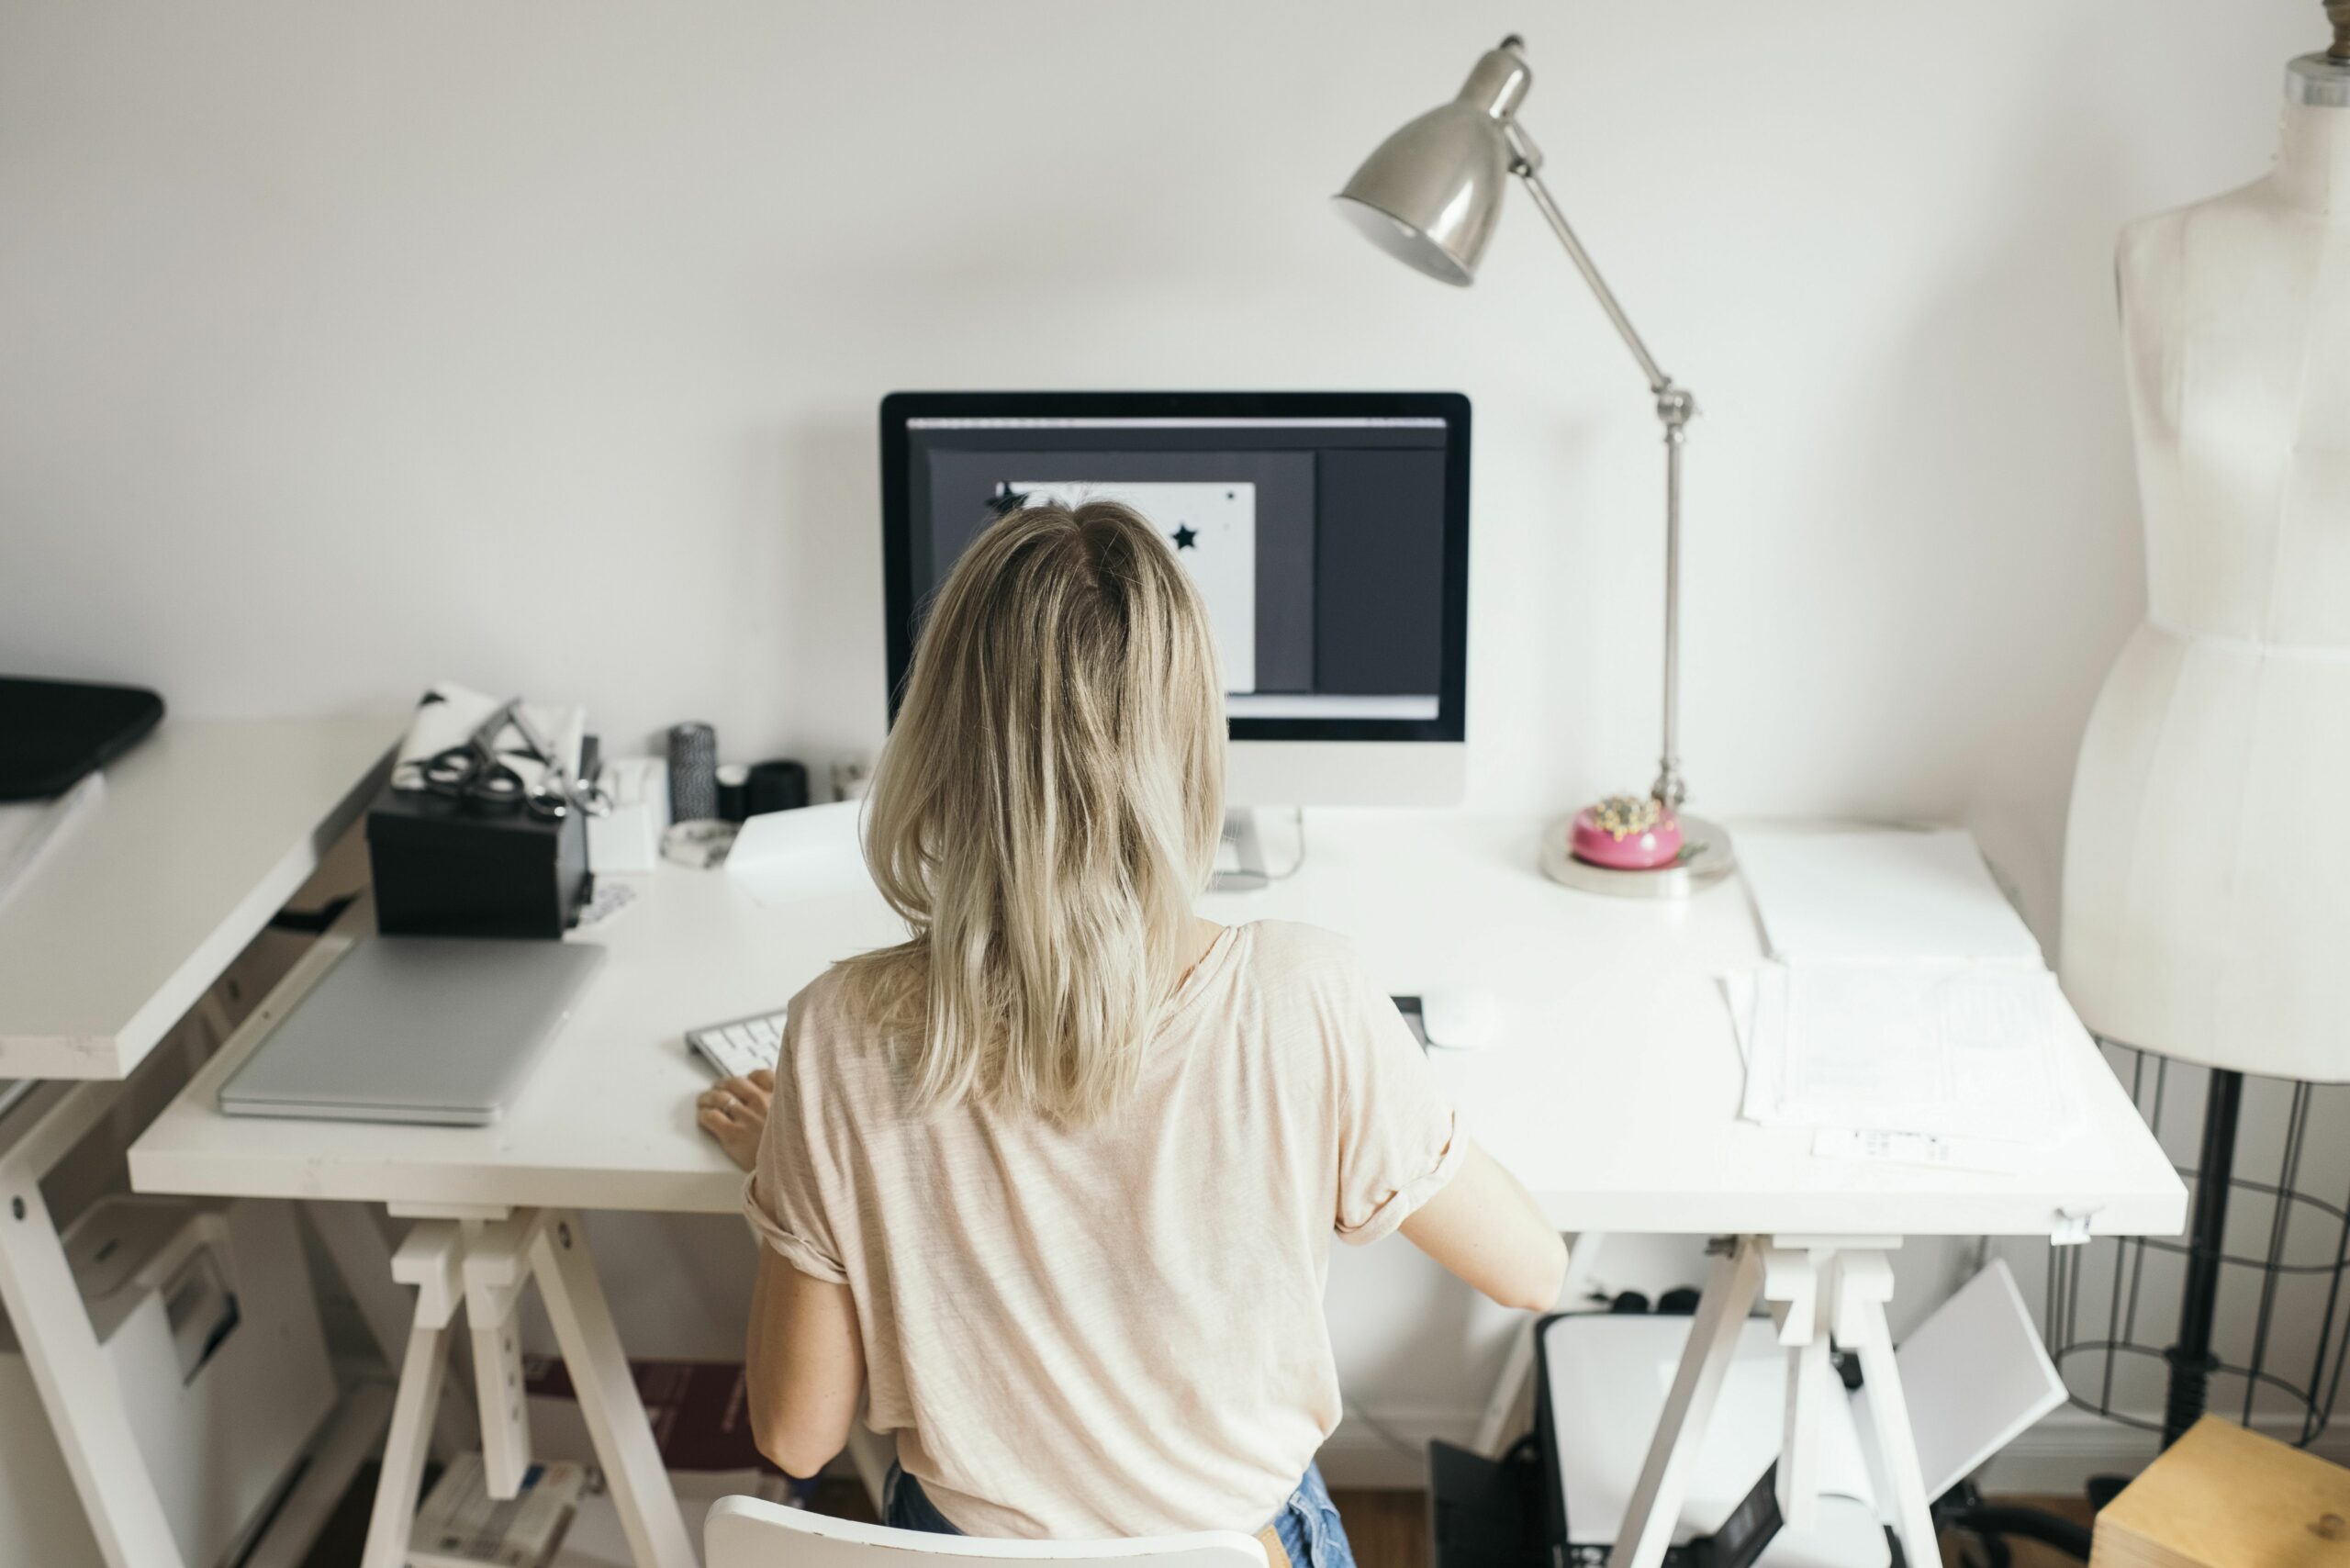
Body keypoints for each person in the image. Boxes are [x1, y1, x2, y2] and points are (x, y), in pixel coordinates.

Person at [697, 501, 1565, 1565]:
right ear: (1190, 740)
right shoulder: (1305, 992)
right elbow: (1534, 1272)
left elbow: (795, 1434)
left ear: (938, 732)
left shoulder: (836, 1031)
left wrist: (794, 1171)